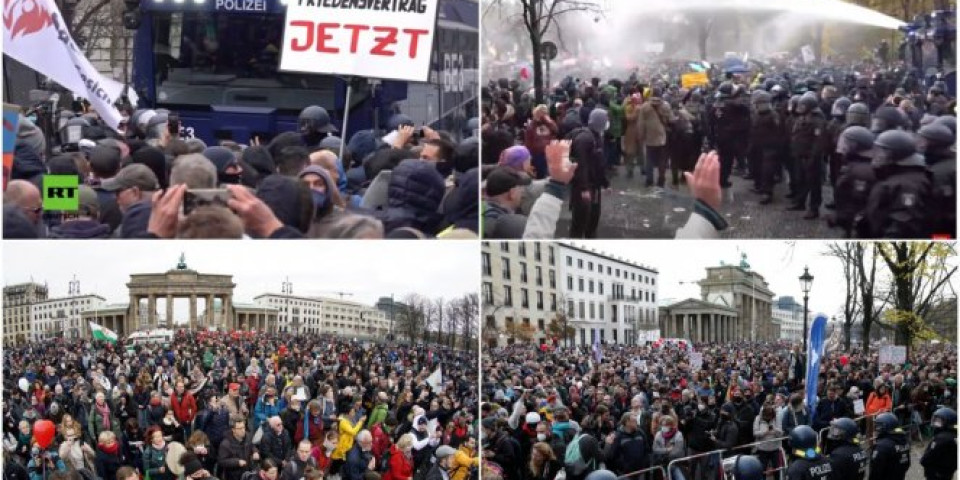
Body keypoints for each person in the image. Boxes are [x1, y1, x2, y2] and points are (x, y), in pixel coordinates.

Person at [869, 413, 910, 480]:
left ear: (885, 426)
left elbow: (875, 472)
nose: (876, 429)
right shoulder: (904, 441)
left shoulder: (881, 446)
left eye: (878, 426)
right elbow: (907, 464)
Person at [920, 407, 957, 480]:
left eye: (938, 421)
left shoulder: (941, 439)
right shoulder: (954, 436)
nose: (935, 424)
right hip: (948, 474)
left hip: (936, 475)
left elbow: (925, 459)